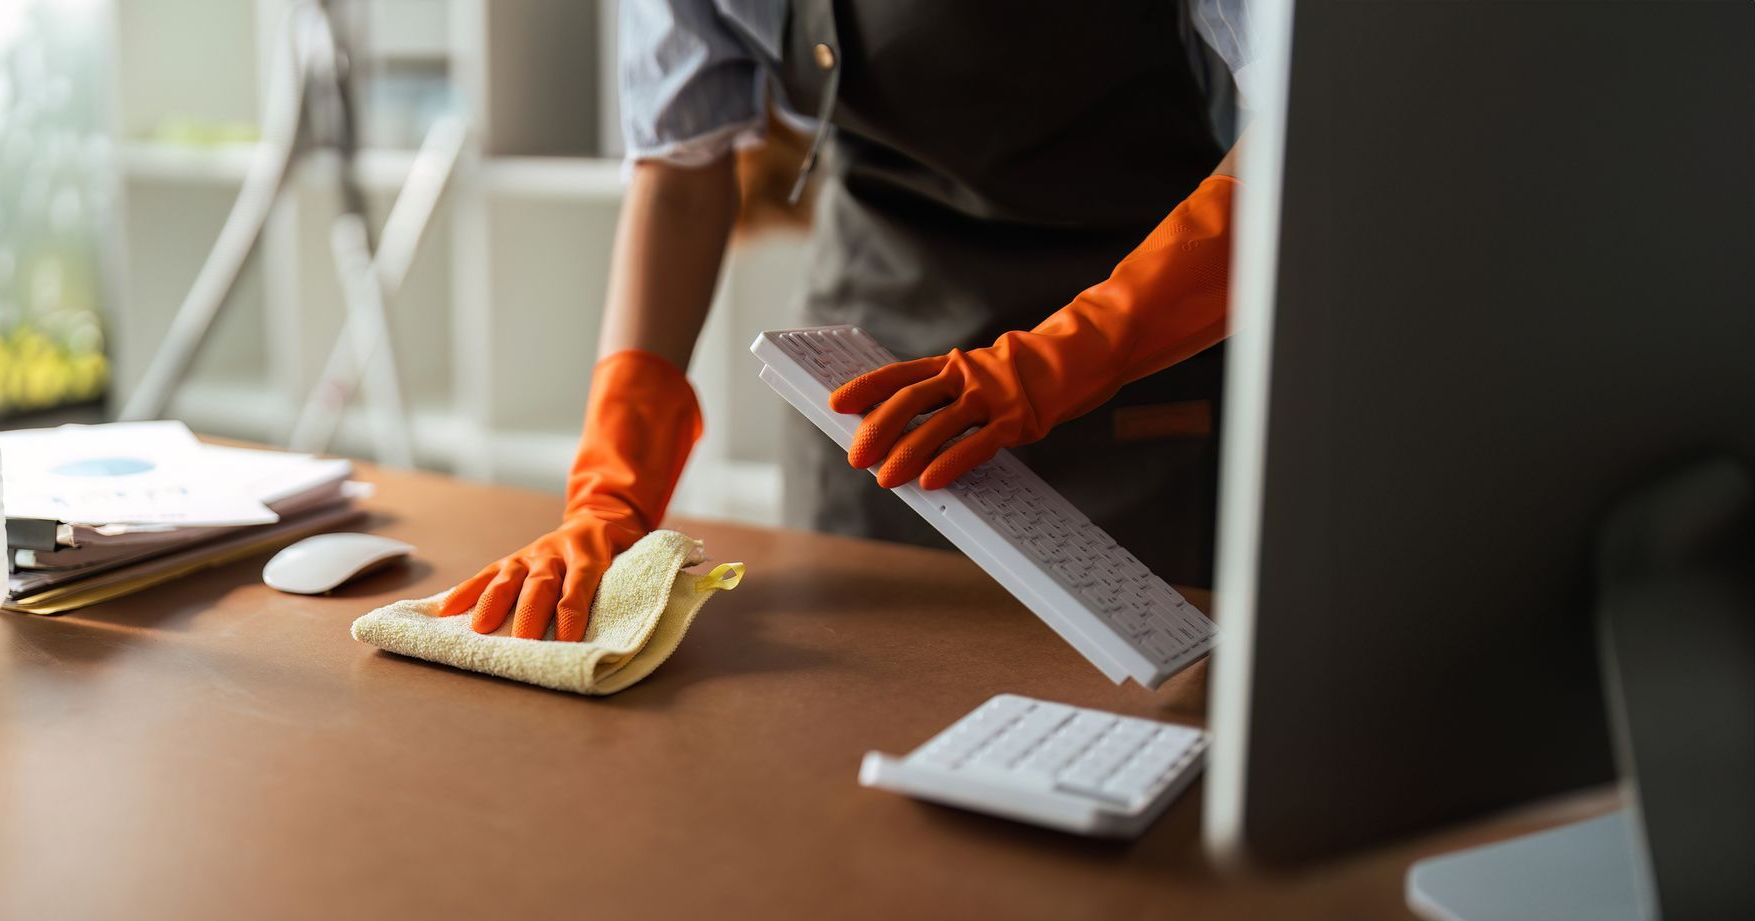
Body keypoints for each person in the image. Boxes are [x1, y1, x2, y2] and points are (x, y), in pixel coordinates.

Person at [438, 0, 1254, 641]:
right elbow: (680, 175)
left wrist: (1066, 358)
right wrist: (610, 491)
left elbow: (1307, 132)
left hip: (1132, 372)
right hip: (864, 401)